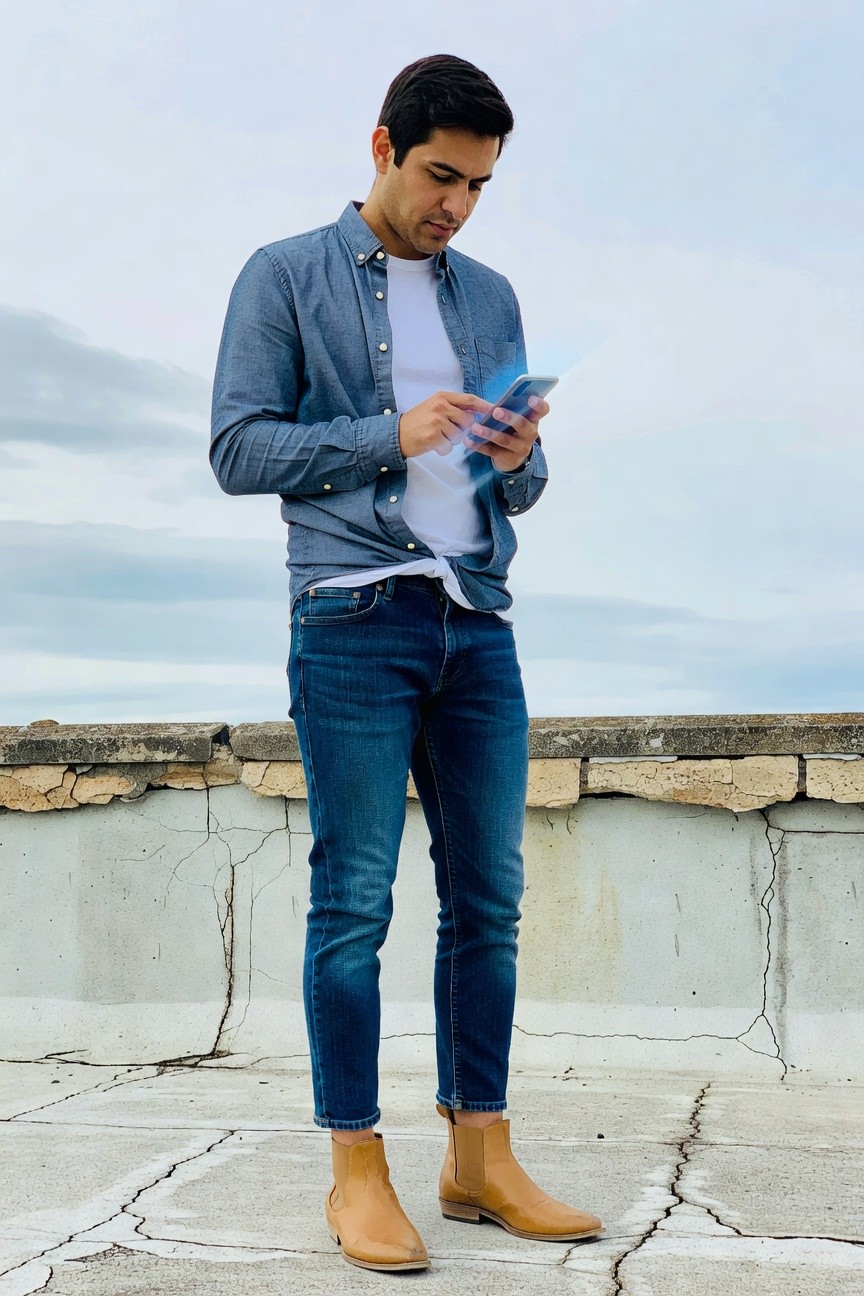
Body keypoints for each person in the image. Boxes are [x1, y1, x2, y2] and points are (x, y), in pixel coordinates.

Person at [210, 53, 603, 1273]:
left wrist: (518, 449)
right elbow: (236, 447)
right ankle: (356, 1168)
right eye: (441, 176)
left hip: (476, 618)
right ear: (383, 147)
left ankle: (477, 1156)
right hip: (351, 618)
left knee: (489, 901)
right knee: (355, 906)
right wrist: (391, 433)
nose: (457, 207)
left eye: (480, 186)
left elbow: (518, 491)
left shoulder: (491, 296)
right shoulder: (283, 275)